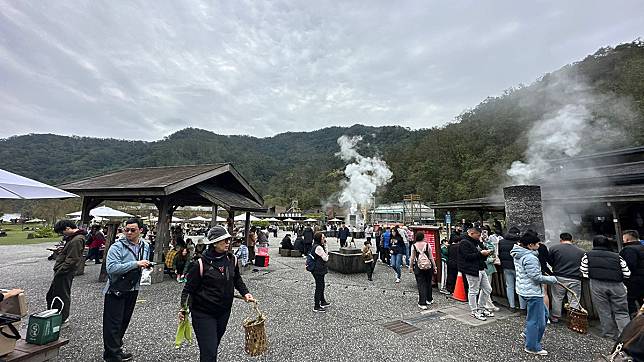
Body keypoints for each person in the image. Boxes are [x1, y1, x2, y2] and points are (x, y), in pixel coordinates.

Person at [179, 226, 254, 361]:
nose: (228, 243)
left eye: (228, 240)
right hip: (203, 312)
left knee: (213, 346)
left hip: (224, 311)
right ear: (214, 243)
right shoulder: (200, 264)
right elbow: (188, 289)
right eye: (224, 240)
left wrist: (245, 293)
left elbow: (236, 279)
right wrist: (183, 309)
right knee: (209, 352)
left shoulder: (232, 259)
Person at [103, 218, 151, 362]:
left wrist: (147, 267)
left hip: (133, 287)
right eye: (126, 229)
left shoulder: (146, 246)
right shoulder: (117, 247)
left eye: (132, 230)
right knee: (113, 324)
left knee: (124, 321)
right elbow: (111, 268)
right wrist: (135, 264)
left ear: (140, 231)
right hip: (116, 289)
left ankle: (116, 349)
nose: (128, 232)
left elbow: (144, 263)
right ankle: (111, 355)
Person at [511, 231, 558, 356]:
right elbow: (535, 276)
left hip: (524, 288)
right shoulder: (530, 257)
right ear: (530, 245)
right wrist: (553, 279)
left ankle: (528, 333)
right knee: (537, 321)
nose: (539, 245)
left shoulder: (519, 253)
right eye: (537, 243)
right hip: (532, 291)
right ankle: (532, 346)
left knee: (543, 314)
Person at [581, 235, 631, 340]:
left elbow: (583, 271)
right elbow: (627, 273)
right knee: (621, 311)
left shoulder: (588, 255)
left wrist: (592, 276)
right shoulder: (617, 256)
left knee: (604, 311)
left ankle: (609, 335)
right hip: (617, 285)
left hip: (597, 284)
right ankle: (626, 336)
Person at [48, 219, 85, 325]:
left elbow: (72, 260)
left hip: (65, 272)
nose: (62, 234)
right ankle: (56, 315)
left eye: (62, 232)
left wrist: (61, 270)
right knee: (54, 294)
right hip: (63, 271)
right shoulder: (73, 238)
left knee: (61, 295)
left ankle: (62, 318)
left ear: (68, 228)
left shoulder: (77, 240)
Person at [547, 232, 585, 323]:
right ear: (572, 240)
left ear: (561, 240)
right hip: (575, 278)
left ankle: (555, 317)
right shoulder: (581, 251)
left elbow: (550, 261)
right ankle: (574, 319)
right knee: (574, 298)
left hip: (559, 277)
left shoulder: (553, 248)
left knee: (557, 297)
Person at [458, 227, 493, 321]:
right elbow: (467, 257)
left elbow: (482, 251)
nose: (480, 236)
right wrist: (481, 254)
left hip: (481, 268)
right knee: (473, 290)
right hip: (471, 269)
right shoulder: (464, 242)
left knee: (487, 289)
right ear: (472, 233)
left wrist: (487, 252)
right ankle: (474, 311)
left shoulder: (477, 242)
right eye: (478, 234)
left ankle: (481, 308)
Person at [410, 231, 437, 309]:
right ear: (423, 237)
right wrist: (434, 267)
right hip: (428, 266)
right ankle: (429, 299)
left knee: (421, 284)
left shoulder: (414, 246)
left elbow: (412, 258)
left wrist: (411, 267)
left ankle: (422, 303)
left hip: (419, 266)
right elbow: (431, 257)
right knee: (428, 282)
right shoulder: (427, 245)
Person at [499, 226, 524, 311]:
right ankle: (522, 307)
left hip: (506, 267)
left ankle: (512, 306)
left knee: (509, 286)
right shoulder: (520, 242)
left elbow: (499, 253)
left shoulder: (501, 242)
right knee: (520, 286)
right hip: (518, 267)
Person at [620, 230, 644, 317]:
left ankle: (635, 322)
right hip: (642, 280)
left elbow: (629, 266)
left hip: (633, 282)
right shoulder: (642, 247)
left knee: (631, 302)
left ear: (627, 239)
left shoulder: (628, 250)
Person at [310, 232, 330, 312]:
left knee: (321, 285)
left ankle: (323, 301)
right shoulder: (318, 247)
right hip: (318, 269)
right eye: (323, 238)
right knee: (319, 286)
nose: (324, 239)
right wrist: (325, 247)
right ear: (319, 239)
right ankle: (316, 306)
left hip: (318, 269)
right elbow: (325, 258)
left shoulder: (316, 245)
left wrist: (325, 245)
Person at [482, 229, 500, 312]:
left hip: (488, 268)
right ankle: (488, 305)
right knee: (487, 288)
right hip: (486, 268)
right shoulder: (480, 246)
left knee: (486, 288)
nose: (485, 236)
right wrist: (491, 259)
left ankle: (487, 304)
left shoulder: (487, 244)